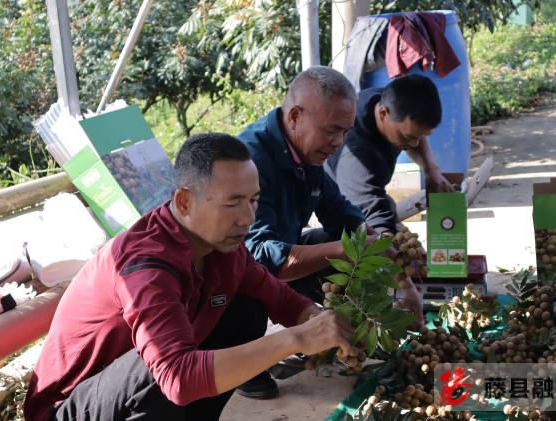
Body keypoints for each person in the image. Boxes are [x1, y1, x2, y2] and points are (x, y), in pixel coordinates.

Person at [23, 133, 356, 421]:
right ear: (184, 201)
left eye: (254, 201)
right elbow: (176, 377)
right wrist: (296, 340)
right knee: (157, 368)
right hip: (68, 409)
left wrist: (323, 324)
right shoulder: (146, 265)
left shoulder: (223, 247)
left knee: (247, 310)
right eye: (233, 203)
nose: (248, 219)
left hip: (133, 396)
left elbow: (278, 298)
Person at [234, 66, 425, 399]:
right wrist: (345, 249)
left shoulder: (306, 155)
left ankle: (343, 335)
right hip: (229, 271)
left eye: (345, 132)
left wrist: (400, 277)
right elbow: (259, 256)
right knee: (324, 252)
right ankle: (244, 360)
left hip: (273, 258)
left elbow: (344, 216)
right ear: (295, 116)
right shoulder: (250, 161)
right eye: (331, 131)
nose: (338, 143)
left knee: (335, 242)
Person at [326, 75, 454, 235]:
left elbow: (416, 135)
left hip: (369, 187)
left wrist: (431, 168)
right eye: (408, 137)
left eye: (419, 137)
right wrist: (389, 243)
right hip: (343, 201)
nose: (415, 144)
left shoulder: (387, 100)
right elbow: (372, 214)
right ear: (382, 114)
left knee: (389, 209)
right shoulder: (356, 157)